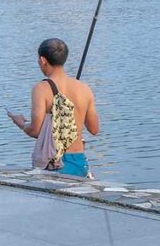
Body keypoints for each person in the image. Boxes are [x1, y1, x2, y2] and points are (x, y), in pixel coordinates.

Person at [8, 38, 100, 177]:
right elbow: (94, 129)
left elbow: (35, 131)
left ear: (43, 60)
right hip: (79, 160)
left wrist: (20, 123)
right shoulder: (84, 89)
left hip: (54, 163)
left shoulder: (41, 89)